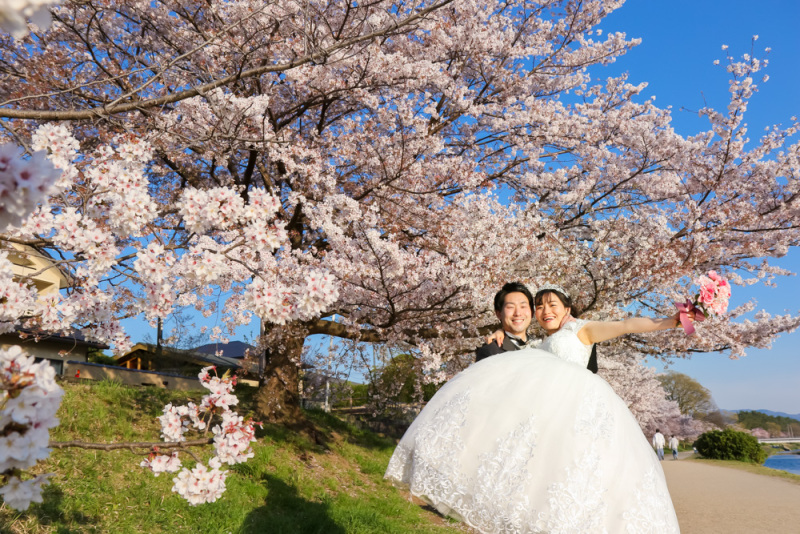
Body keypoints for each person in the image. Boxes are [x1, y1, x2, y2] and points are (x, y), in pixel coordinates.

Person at [384, 283, 687, 533]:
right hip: (549, 422)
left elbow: (625, 325)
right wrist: (500, 335)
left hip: (579, 413)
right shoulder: (538, 347)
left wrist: (671, 321)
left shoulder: (582, 330)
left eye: (552, 304)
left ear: (567, 309)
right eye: (539, 306)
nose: (545, 311)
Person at [475, 282, 535, 361]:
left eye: (523, 306)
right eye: (510, 307)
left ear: (532, 312)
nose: (518, 313)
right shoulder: (490, 351)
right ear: (499, 313)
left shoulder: (540, 345)